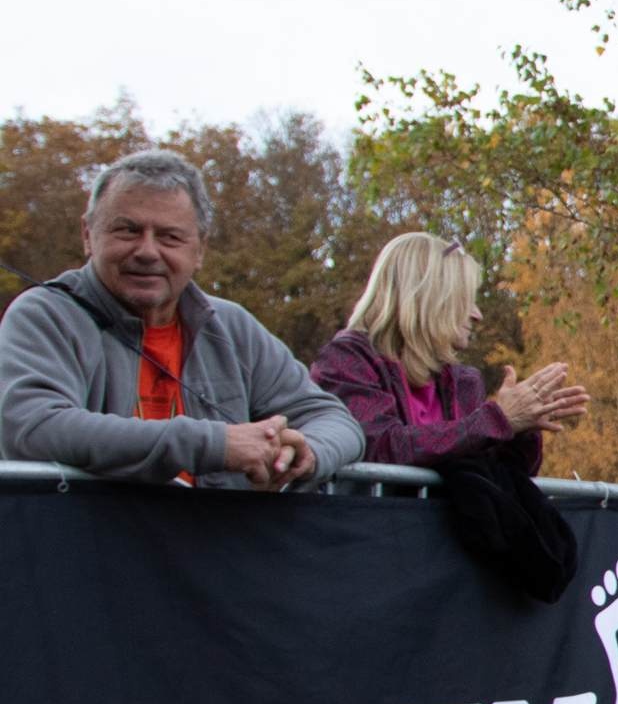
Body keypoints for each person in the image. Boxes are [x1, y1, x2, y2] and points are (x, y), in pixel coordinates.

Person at [0, 147, 363, 486]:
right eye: (127, 230)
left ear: (199, 250)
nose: (147, 251)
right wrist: (215, 444)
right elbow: (33, 427)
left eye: (170, 237)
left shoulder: (232, 326)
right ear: (87, 235)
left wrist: (303, 453)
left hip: (215, 536)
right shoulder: (44, 315)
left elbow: (334, 420)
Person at [312, 232, 587, 470]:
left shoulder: (463, 381)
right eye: (465, 301)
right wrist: (498, 420)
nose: (477, 315)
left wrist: (520, 430)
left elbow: (497, 475)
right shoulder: (346, 362)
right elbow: (380, 448)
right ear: (429, 300)